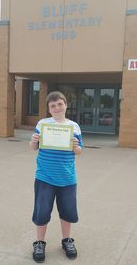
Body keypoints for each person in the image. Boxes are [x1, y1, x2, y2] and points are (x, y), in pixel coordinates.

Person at [30, 91, 83, 263]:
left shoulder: (74, 126)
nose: (57, 108)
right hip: (45, 177)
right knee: (42, 211)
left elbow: (79, 151)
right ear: (49, 109)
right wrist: (33, 140)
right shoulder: (43, 123)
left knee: (67, 212)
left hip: (67, 178)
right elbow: (33, 147)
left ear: (65, 105)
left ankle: (67, 240)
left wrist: (76, 146)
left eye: (60, 104)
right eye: (53, 106)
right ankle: (39, 242)